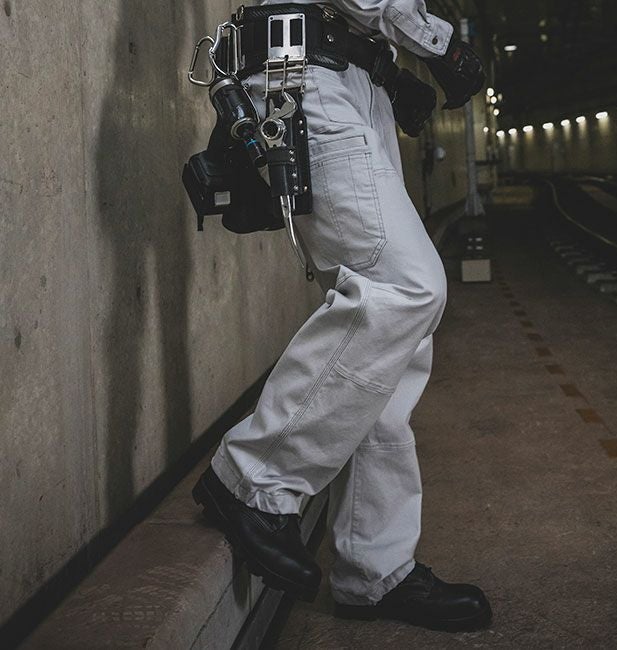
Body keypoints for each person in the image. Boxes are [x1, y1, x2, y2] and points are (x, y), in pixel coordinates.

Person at [193, 0, 491, 632]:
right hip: (307, 78)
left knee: (395, 346)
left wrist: (389, 71)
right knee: (404, 289)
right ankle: (251, 478)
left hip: (343, 78)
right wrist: (439, 44)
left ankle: (376, 572)